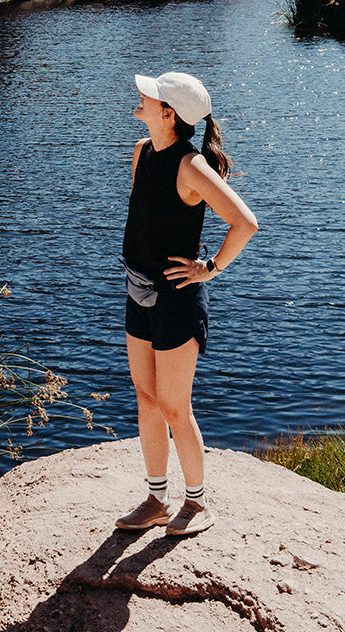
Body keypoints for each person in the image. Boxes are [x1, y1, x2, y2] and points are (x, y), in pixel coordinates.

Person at [117, 71, 258, 536]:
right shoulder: (142, 152)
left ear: (168, 113)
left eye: (151, 95)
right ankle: (157, 498)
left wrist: (210, 267)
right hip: (138, 291)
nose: (142, 96)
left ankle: (196, 504)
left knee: (176, 405)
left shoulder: (191, 166)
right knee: (146, 397)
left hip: (177, 300)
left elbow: (245, 223)